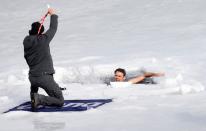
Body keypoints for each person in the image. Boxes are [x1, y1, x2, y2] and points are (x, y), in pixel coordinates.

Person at [23, 8, 64, 111]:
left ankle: (34, 96)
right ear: (40, 32)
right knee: (60, 100)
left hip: (32, 78)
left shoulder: (26, 42)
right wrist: (53, 14)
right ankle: (38, 98)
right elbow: (53, 28)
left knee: (38, 86)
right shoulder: (43, 40)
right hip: (44, 77)